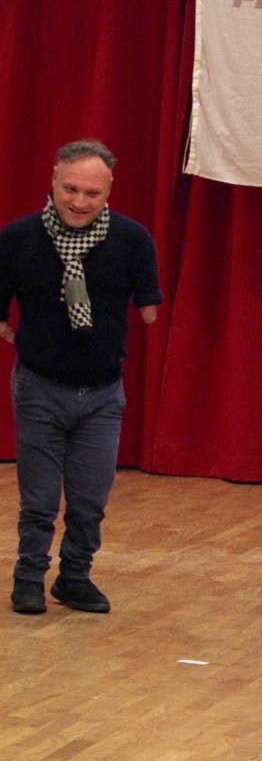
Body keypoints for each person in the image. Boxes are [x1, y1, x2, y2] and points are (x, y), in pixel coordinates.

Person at [1, 139, 162, 615]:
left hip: (103, 393)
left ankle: (74, 577)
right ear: (53, 179)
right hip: (39, 387)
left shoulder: (132, 240)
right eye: (70, 189)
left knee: (90, 498)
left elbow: (149, 307)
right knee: (39, 499)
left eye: (92, 193)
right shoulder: (18, 238)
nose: (79, 201)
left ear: (109, 191)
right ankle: (29, 577)